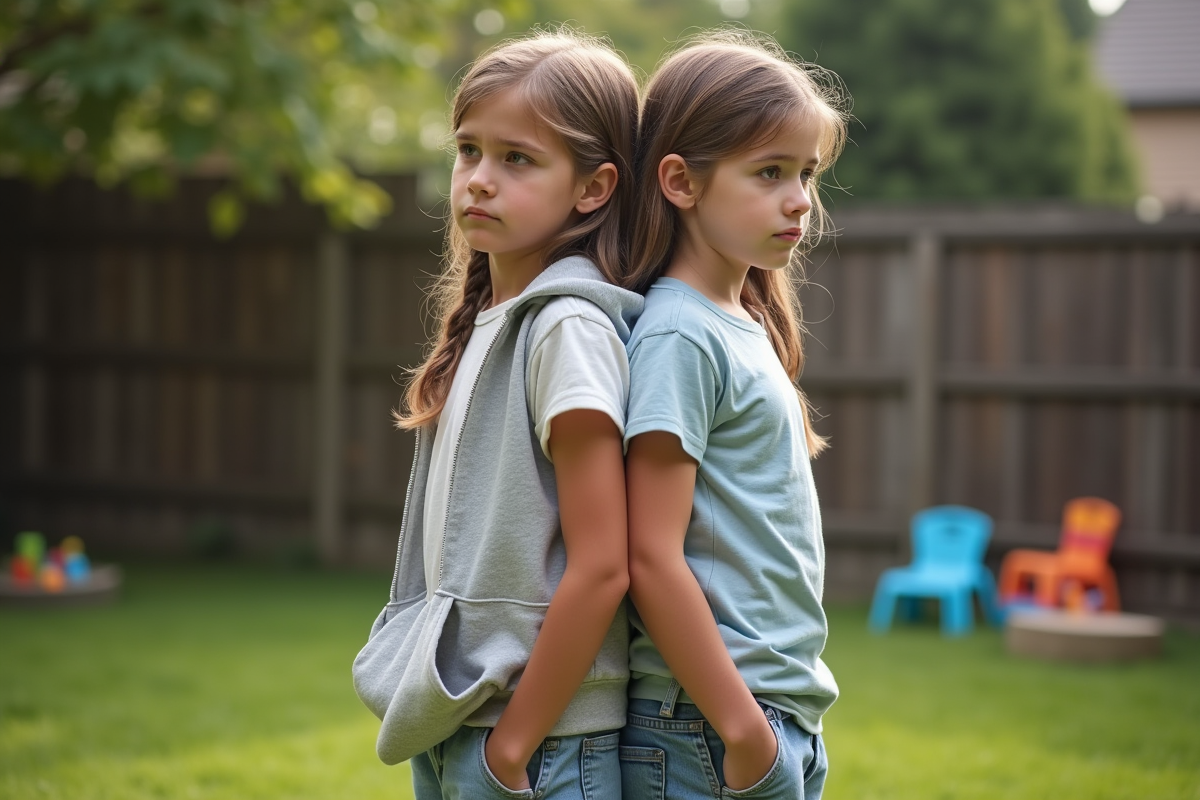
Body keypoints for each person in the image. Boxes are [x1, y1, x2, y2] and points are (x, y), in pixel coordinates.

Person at [352, 30, 641, 800]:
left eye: (517, 159)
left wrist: (513, 747)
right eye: (468, 150)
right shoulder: (498, 318)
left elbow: (605, 564)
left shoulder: (565, 330)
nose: (478, 179)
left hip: (540, 743)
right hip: (463, 722)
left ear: (594, 187)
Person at [617, 31, 848, 800]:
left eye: (807, 173)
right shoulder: (680, 335)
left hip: (769, 714)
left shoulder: (738, 323)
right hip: (706, 726)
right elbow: (650, 556)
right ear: (681, 181)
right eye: (770, 172)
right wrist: (743, 729)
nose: (801, 200)